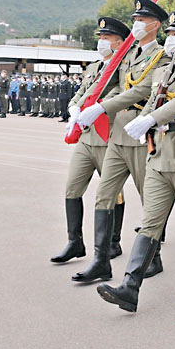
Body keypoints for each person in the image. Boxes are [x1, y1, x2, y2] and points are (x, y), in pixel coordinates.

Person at [97, 11, 175, 312]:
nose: (171, 38)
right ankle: (130, 287)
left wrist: (150, 119)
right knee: (150, 222)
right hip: (158, 153)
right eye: (170, 33)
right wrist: (142, 120)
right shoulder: (163, 71)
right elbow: (152, 100)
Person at [71, 0, 172, 283]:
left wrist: (102, 107)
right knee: (104, 196)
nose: (136, 24)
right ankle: (100, 260)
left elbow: (142, 90)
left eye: (142, 20)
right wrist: (81, 104)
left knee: (148, 198)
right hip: (117, 134)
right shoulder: (127, 55)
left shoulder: (162, 57)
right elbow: (107, 81)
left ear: (155, 25)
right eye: (135, 19)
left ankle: (154, 257)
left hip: (139, 135)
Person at [51, 17, 129, 265]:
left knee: (113, 193)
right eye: (100, 38)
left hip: (108, 138)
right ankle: (75, 242)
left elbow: (119, 94)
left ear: (119, 43)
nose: (101, 42)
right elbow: (81, 93)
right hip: (86, 138)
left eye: (107, 38)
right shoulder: (94, 67)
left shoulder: (123, 69)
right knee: (72, 188)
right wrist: (74, 108)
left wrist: (96, 107)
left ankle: (113, 241)